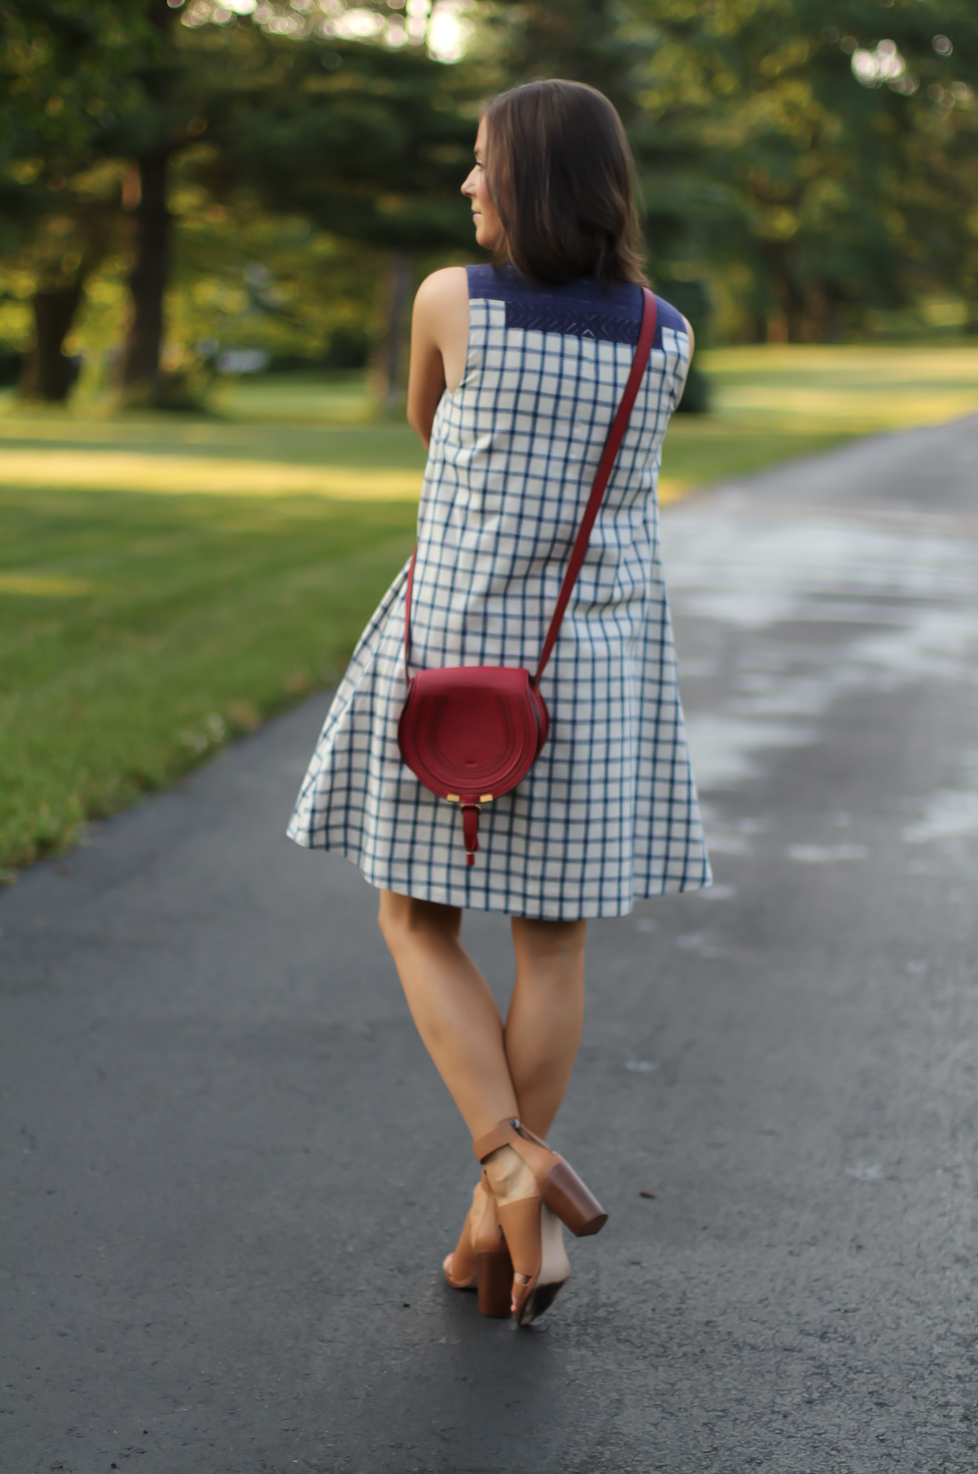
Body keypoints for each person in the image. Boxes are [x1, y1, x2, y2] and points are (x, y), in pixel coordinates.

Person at [287, 79, 711, 1326]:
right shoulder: (663, 335)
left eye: (483, 164)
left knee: (416, 917)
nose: (468, 184)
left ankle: (505, 1173)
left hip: (455, 663)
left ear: (530, 176)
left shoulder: (448, 303)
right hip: (596, 664)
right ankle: (494, 1226)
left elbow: (433, 429)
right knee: (555, 946)